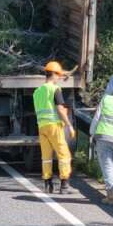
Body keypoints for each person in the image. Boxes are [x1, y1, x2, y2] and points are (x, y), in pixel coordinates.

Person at [34, 61, 74, 194]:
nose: (59, 78)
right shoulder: (55, 89)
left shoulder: (37, 91)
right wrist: (69, 125)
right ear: (54, 74)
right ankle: (64, 186)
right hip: (54, 126)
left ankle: (48, 183)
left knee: (46, 156)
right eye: (59, 75)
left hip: (42, 127)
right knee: (64, 155)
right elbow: (60, 110)